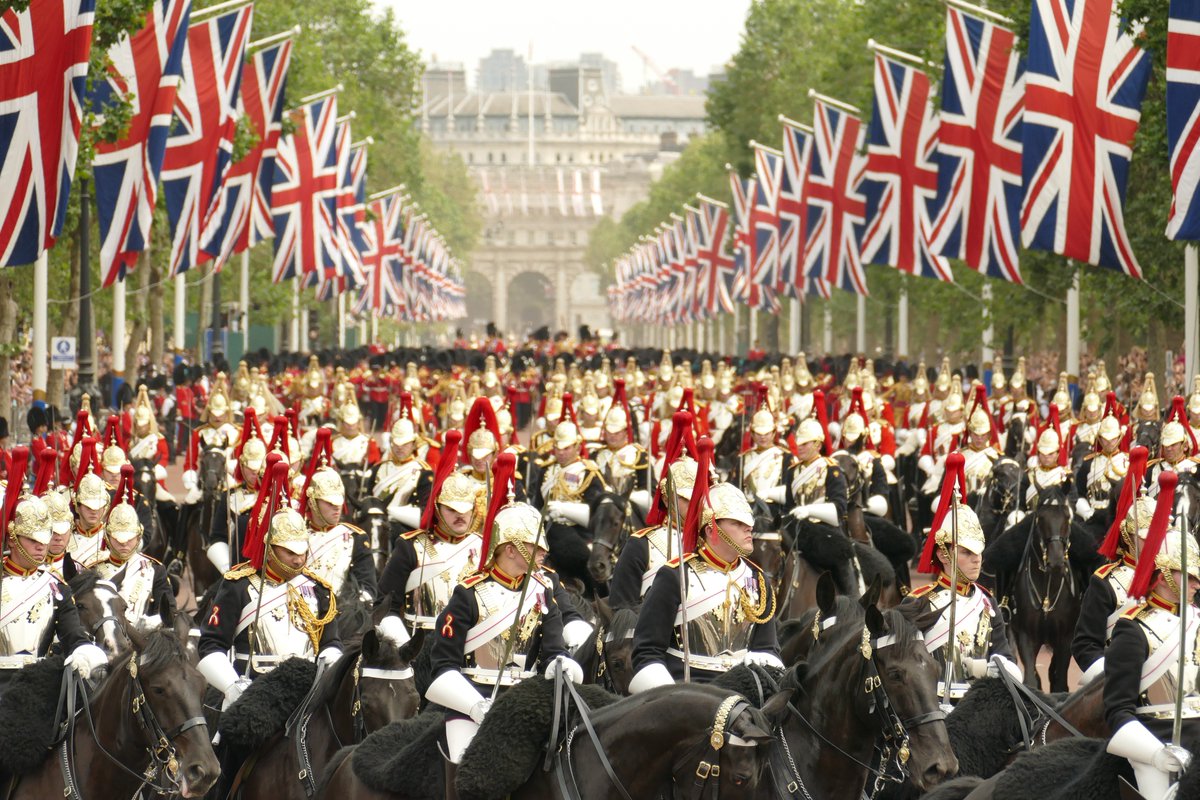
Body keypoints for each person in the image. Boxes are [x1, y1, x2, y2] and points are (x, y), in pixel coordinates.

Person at [428, 453, 579, 798]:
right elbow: (443, 667)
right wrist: (475, 706)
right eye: (534, 548)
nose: (543, 555)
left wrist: (562, 664)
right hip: (472, 702)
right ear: (510, 550)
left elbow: (553, 649)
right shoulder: (467, 595)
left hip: (526, 702)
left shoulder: (543, 591)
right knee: (468, 777)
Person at [629, 473, 780, 690]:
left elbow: (767, 648)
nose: (749, 527)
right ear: (711, 530)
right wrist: (670, 695)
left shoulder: (758, 579)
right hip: (688, 688)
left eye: (748, 522)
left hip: (745, 689)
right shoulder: (674, 576)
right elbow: (647, 650)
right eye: (737, 523)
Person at [1104, 477, 1199, 800]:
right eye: (1186, 575)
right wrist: (1157, 755)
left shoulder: (1197, 622)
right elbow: (1117, 710)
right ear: (1160, 575)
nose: (1196, 584)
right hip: (1157, 745)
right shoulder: (1132, 629)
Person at [902, 457, 1018, 704]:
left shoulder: (986, 602)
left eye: (978, 552)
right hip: (931, 707)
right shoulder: (919, 601)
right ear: (944, 554)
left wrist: (998, 666)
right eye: (966, 552)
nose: (977, 560)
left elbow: (1004, 653)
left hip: (978, 705)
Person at [0, 481, 107, 690]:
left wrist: (83, 651)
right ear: (13, 540)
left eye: (44, 539)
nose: (41, 546)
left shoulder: (57, 588)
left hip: (38, 683)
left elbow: (73, 635)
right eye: (32, 540)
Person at [378, 433, 483, 640]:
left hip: (471, 645)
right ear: (437, 508)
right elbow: (385, 604)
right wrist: (404, 644)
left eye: (465, 509)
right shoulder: (410, 547)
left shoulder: (485, 547)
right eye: (452, 509)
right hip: (420, 642)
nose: (460, 515)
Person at [91, 473, 175, 631]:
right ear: (108, 537)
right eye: (118, 539)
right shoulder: (93, 569)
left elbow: (170, 612)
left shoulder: (155, 570)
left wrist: (153, 622)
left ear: (138, 537)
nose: (124, 544)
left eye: (129, 539)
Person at [786, 417, 855, 597]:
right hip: (797, 530)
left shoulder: (832, 469)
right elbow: (787, 506)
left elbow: (838, 510)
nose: (799, 447)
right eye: (798, 443)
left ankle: (854, 604)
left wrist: (809, 510)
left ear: (817, 444)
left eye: (805, 443)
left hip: (824, 529)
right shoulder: (792, 471)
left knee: (841, 560)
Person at [303, 465, 378, 602]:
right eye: (329, 503)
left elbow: (368, 587)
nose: (337, 507)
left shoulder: (356, 538)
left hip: (342, 613)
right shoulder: (297, 535)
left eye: (339, 501)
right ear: (313, 502)